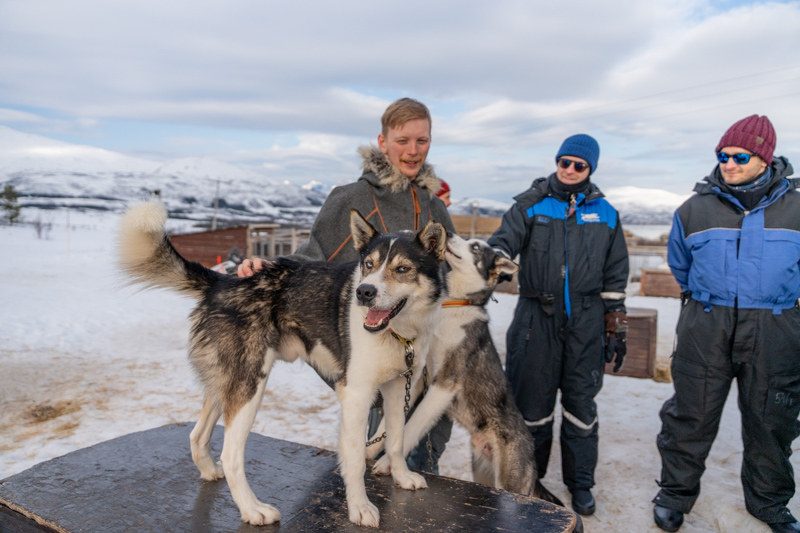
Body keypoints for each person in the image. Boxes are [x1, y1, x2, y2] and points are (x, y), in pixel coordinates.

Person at [237, 97, 456, 474]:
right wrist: (268, 268)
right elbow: (311, 259)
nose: (413, 150)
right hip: (374, 350)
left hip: (424, 351)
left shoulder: (434, 209)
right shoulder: (350, 200)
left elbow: (450, 276)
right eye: (403, 140)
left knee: (423, 457)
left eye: (422, 141)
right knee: (373, 458)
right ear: (382, 141)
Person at [652, 115, 800, 533]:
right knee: (690, 416)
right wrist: (711, 298)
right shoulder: (694, 209)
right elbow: (681, 265)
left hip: (775, 327)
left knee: (772, 420)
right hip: (707, 323)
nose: (728, 163)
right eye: (722, 155)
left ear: (765, 158)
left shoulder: (797, 208)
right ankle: (674, 495)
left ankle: (770, 504)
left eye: (739, 156)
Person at [487, 134, 629, 517]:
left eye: (578, 165)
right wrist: (493, 262)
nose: (569, 170)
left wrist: (616, 326)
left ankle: (580, 483)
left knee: (581, 406)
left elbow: (616, 275)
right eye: (563, 162)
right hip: (536, 318)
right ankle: (530, 480)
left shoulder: (606, 213)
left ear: (590, 169)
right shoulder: (531, 205)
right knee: (532, 409)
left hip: (587, 321)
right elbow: (502, 243)